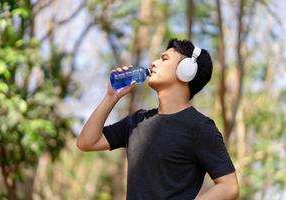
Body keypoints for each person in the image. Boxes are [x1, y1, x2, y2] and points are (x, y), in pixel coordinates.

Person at [76, 38, 239, 200]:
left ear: (186, 70)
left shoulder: (200, 128)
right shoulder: (137, 121)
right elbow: (86, 142)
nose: (153, 63)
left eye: (164, 58)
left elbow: (229, 187)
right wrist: (111, 97)